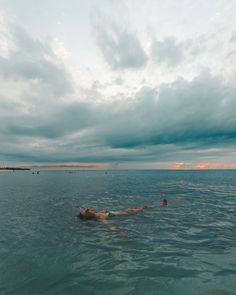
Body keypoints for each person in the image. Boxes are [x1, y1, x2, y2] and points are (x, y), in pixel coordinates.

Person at [79, 200, 167, 220]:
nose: (90, 209)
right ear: (88, 214)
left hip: (125, 211)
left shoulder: (98, 213)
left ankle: (161, 205)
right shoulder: (100, 216)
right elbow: (109, 225)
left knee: (143, 207)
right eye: (88, 211)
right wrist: (119, 232)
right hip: (126, 214)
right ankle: (161, 205)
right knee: (144, 207)